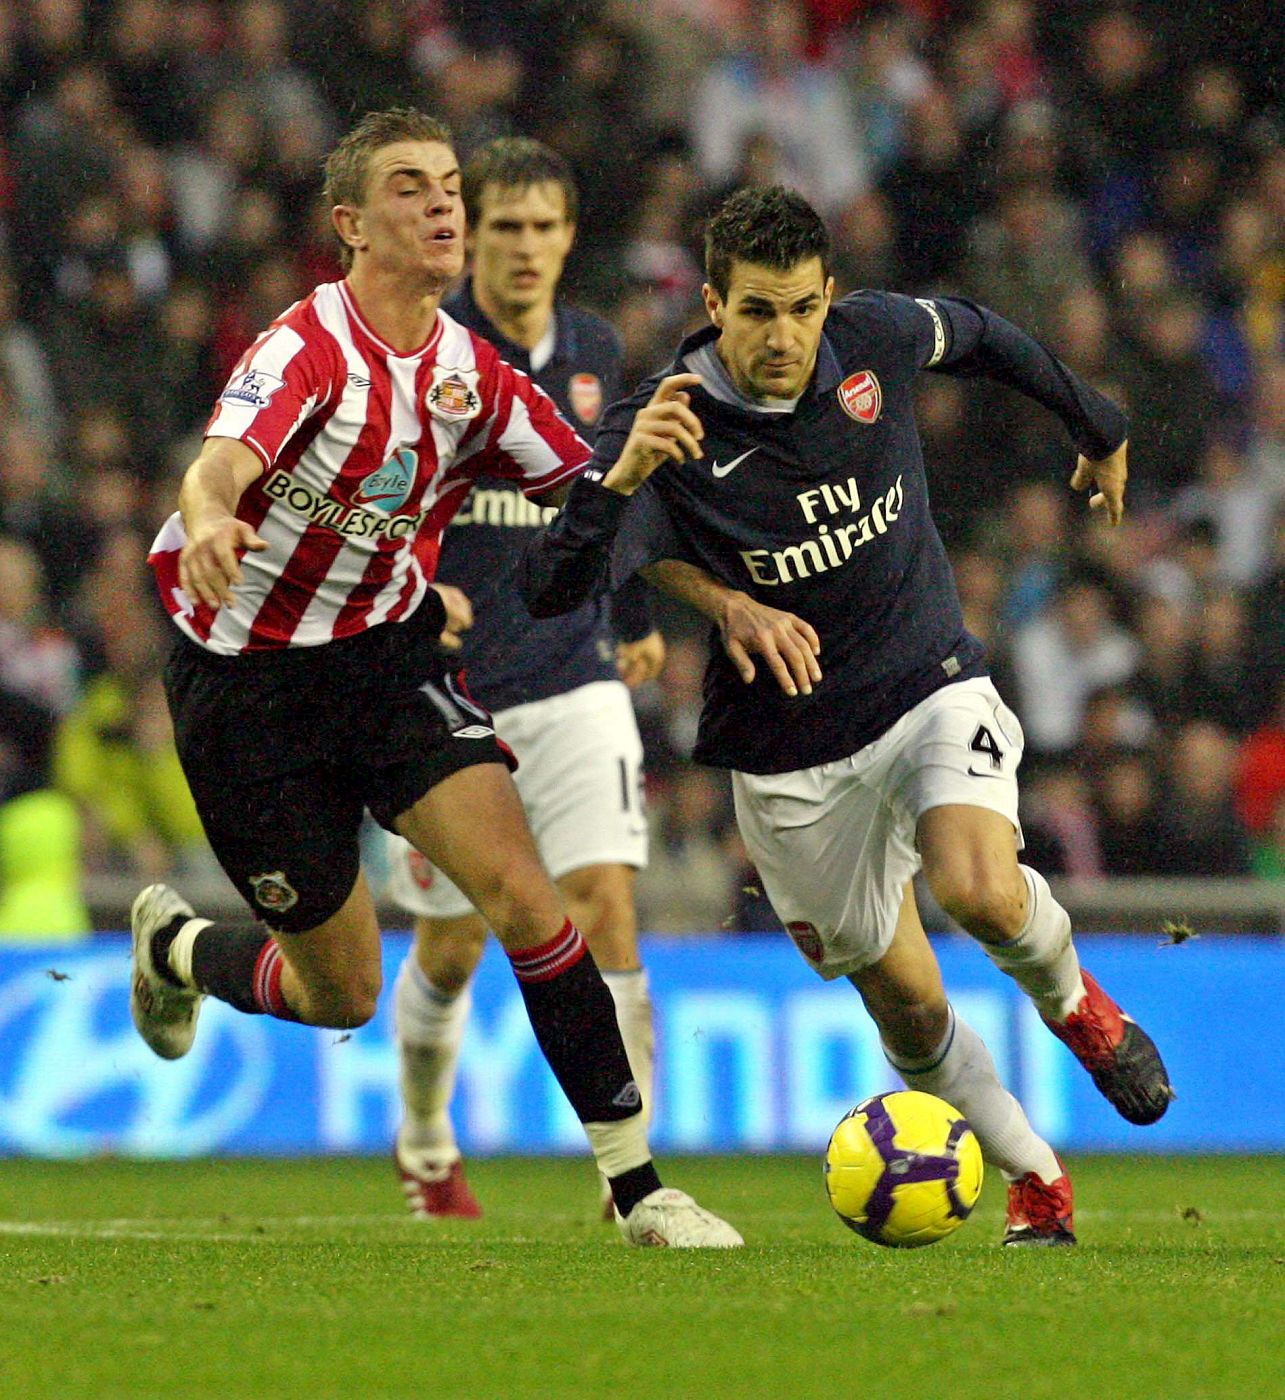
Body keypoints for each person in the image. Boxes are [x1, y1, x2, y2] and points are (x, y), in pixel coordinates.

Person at [130, 107, 739, 1250]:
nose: (445, 205)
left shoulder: (472, 376)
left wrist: (704, 562)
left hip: (383, 662)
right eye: (413, 187)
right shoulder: (304, 348)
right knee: (342, 991)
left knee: (528, 896)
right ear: (353, 225)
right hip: (243, 685)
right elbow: (217, 470)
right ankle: (175, 949)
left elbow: (590, 495)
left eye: (449, 183)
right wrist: (210, 522)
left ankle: (638, 1186)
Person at [521, 184, 1174, 1246]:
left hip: (926, 678)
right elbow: (554, 589)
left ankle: (1087, 1015)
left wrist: (1096, 421)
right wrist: (631, 481)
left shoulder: (872, 337)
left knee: (979, 886)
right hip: (788, 752)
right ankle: (1036, 1175)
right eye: (755, 312)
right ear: (712, 303)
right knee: (907, 1005)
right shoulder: (664, 423)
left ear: (829, 296)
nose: (781, 337)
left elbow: (978, 332)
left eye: (800, 308)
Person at [382, 137, 664, 1220]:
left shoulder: (593, 345)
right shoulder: (433, 347)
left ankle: (626, 1158)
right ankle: (421, 1138)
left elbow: (612, 492)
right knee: (453, 945)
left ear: (570, 236)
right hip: (454, 689)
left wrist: (634, 611)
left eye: (546, 227)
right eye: (506, 226)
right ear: (470, 236)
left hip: (577, 672)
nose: (527, 248)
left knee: (605, 904)